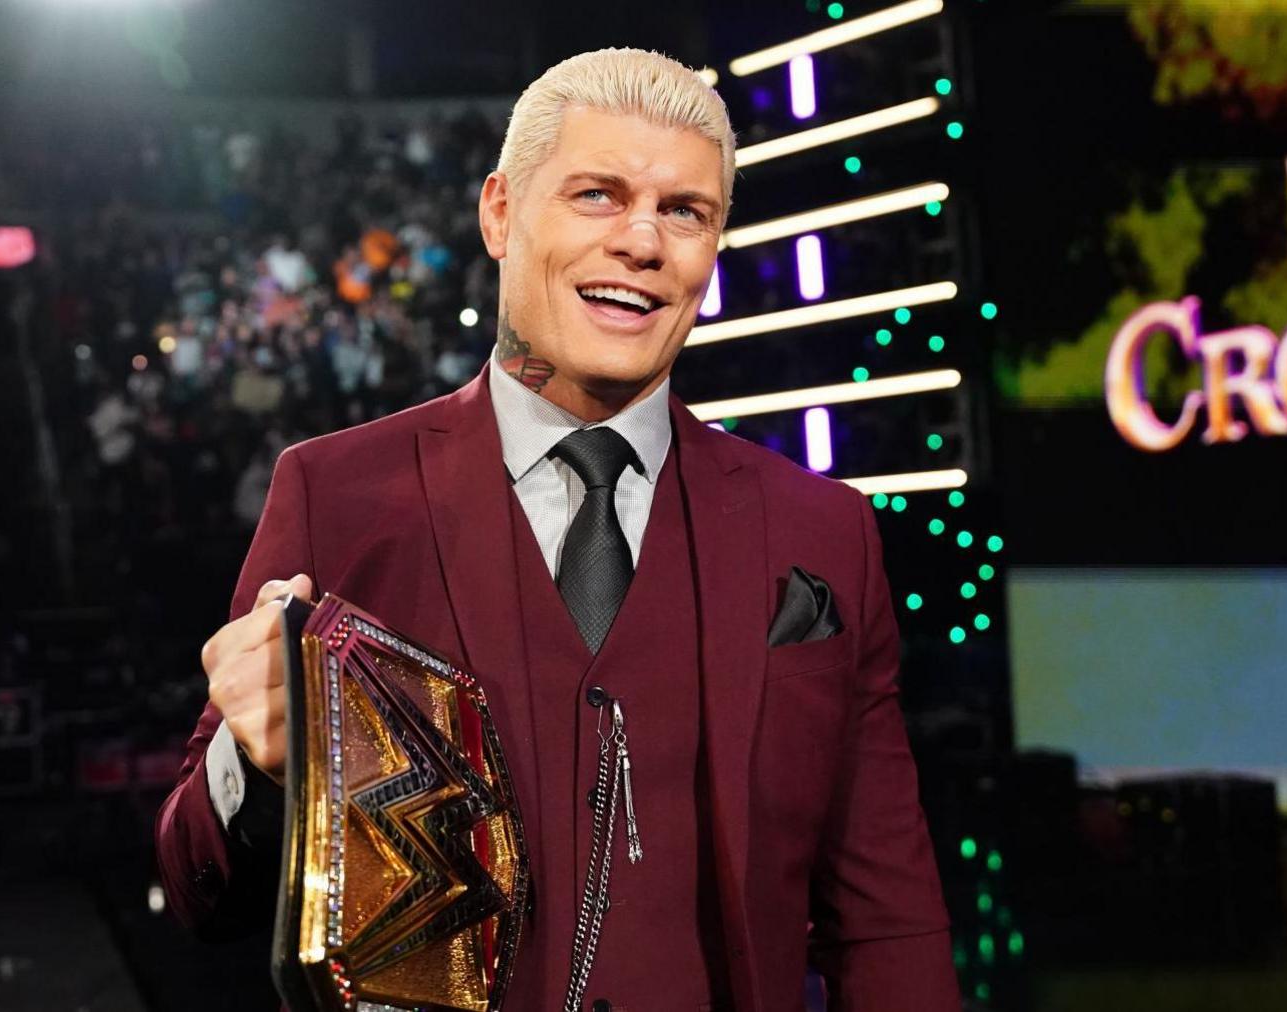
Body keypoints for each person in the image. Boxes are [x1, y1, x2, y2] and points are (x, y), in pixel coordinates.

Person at [156, 49, 959, 1011]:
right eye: (597, 195)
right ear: (500, 212)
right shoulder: (336, 494)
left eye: (686, 212)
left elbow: (887, 917)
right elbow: (198, 888)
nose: (643, 241)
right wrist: (249, 761)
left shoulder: (823, 531)